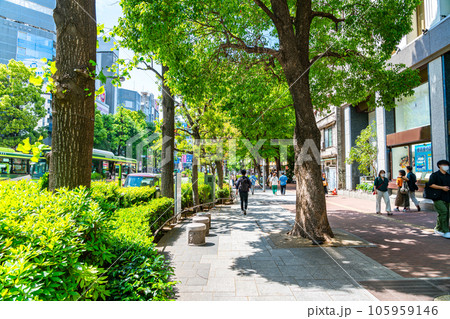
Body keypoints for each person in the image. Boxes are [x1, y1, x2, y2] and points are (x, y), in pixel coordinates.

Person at [428, 160, 450, 238]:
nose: (446, 166)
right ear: (439, 166)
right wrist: (442, 188)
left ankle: (438, 228)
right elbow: (430, 184)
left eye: (447, 165)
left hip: (447, 197)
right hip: (437, 197)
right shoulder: (434, 175)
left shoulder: (448, 176)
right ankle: (445, 230)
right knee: (444, 211)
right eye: (444, 165)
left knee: (445, 213)